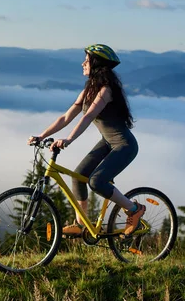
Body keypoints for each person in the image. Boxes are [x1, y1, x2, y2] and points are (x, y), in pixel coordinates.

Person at [27, 43, 144, 237]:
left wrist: (69, 140)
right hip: (108, 143)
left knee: (96, 181)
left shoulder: (106, 90)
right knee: (78, 176)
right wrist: (42, 135)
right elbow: (65, 117)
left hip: (124, 146)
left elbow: (88, 117)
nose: (83, 64)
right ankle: (81, 226)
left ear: (96, 64)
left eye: (87, 61)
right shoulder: (89, 89)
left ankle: (134, 210)